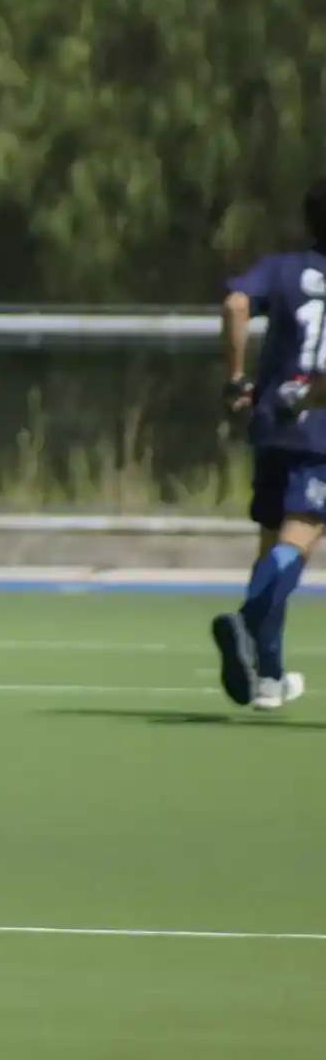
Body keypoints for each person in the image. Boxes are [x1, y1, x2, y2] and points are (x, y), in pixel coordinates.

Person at [212, 177, 326, 710]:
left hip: (273, 422)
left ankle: (269, 678)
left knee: (270, 547)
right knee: (297, 542)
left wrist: (236, 377)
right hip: (319, 425)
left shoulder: (280, 268)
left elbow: (236, 304)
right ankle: (246, 621)